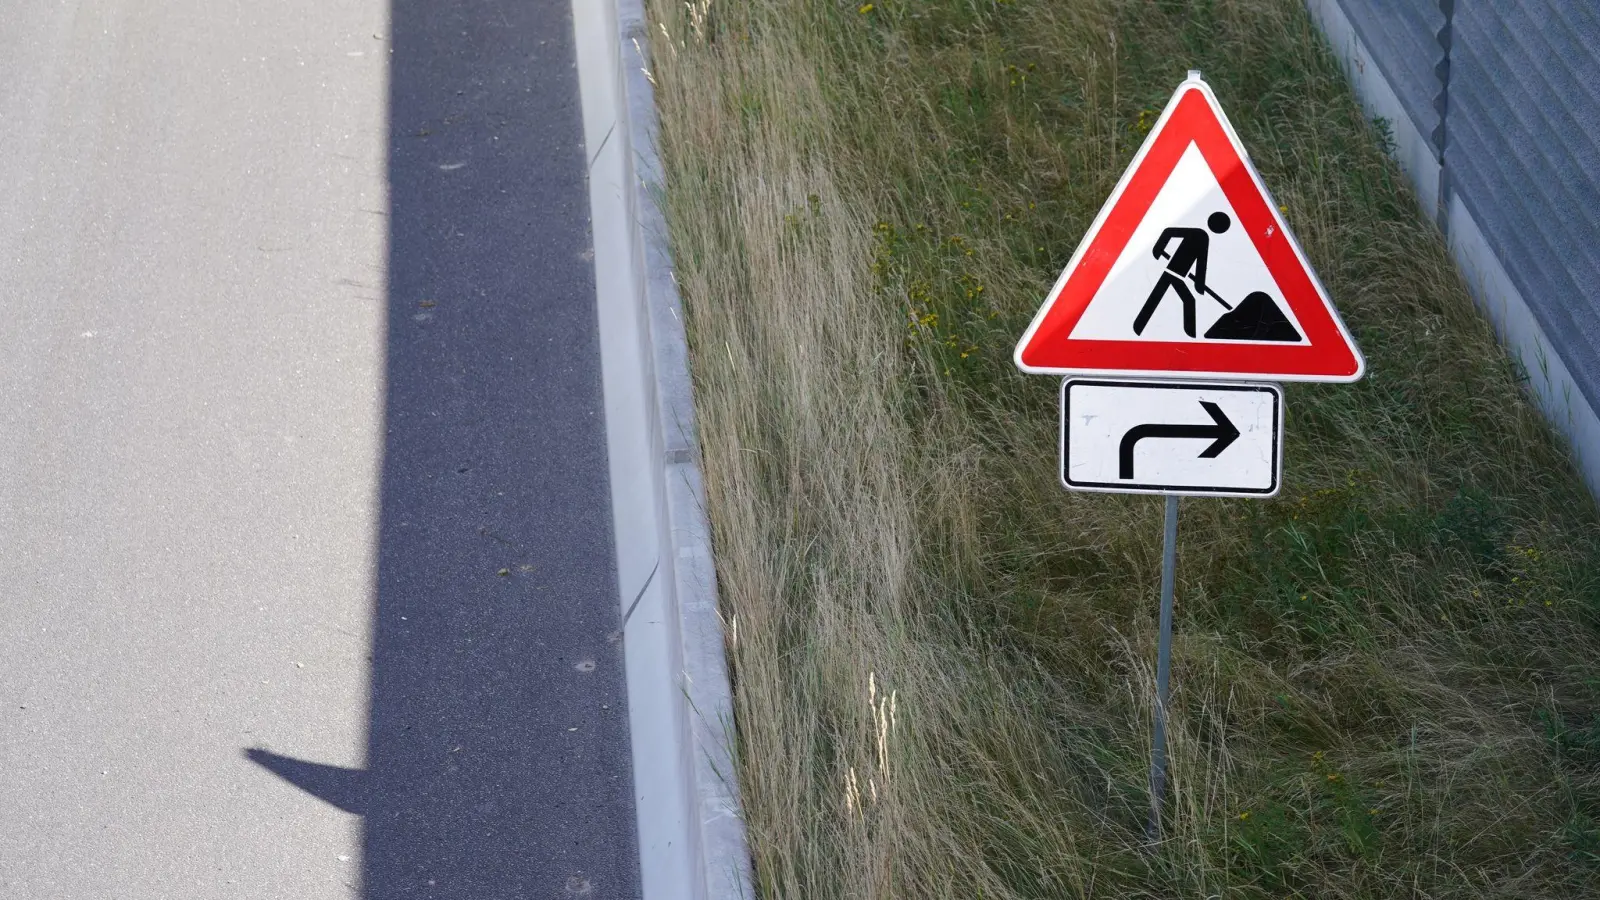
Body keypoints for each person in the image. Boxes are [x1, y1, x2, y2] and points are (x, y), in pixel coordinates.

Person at [1133, 211, 1231, 337]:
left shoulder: (1201, 235)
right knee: (1185, 300)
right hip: (1172, 273)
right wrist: (1158, 248)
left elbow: (1201, 264)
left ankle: (1138, 327)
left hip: (1176, 275)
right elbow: (1169, 232)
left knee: (1158, 298)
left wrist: (1199, 284)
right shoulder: (1200, 235)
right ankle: (1190, 336)